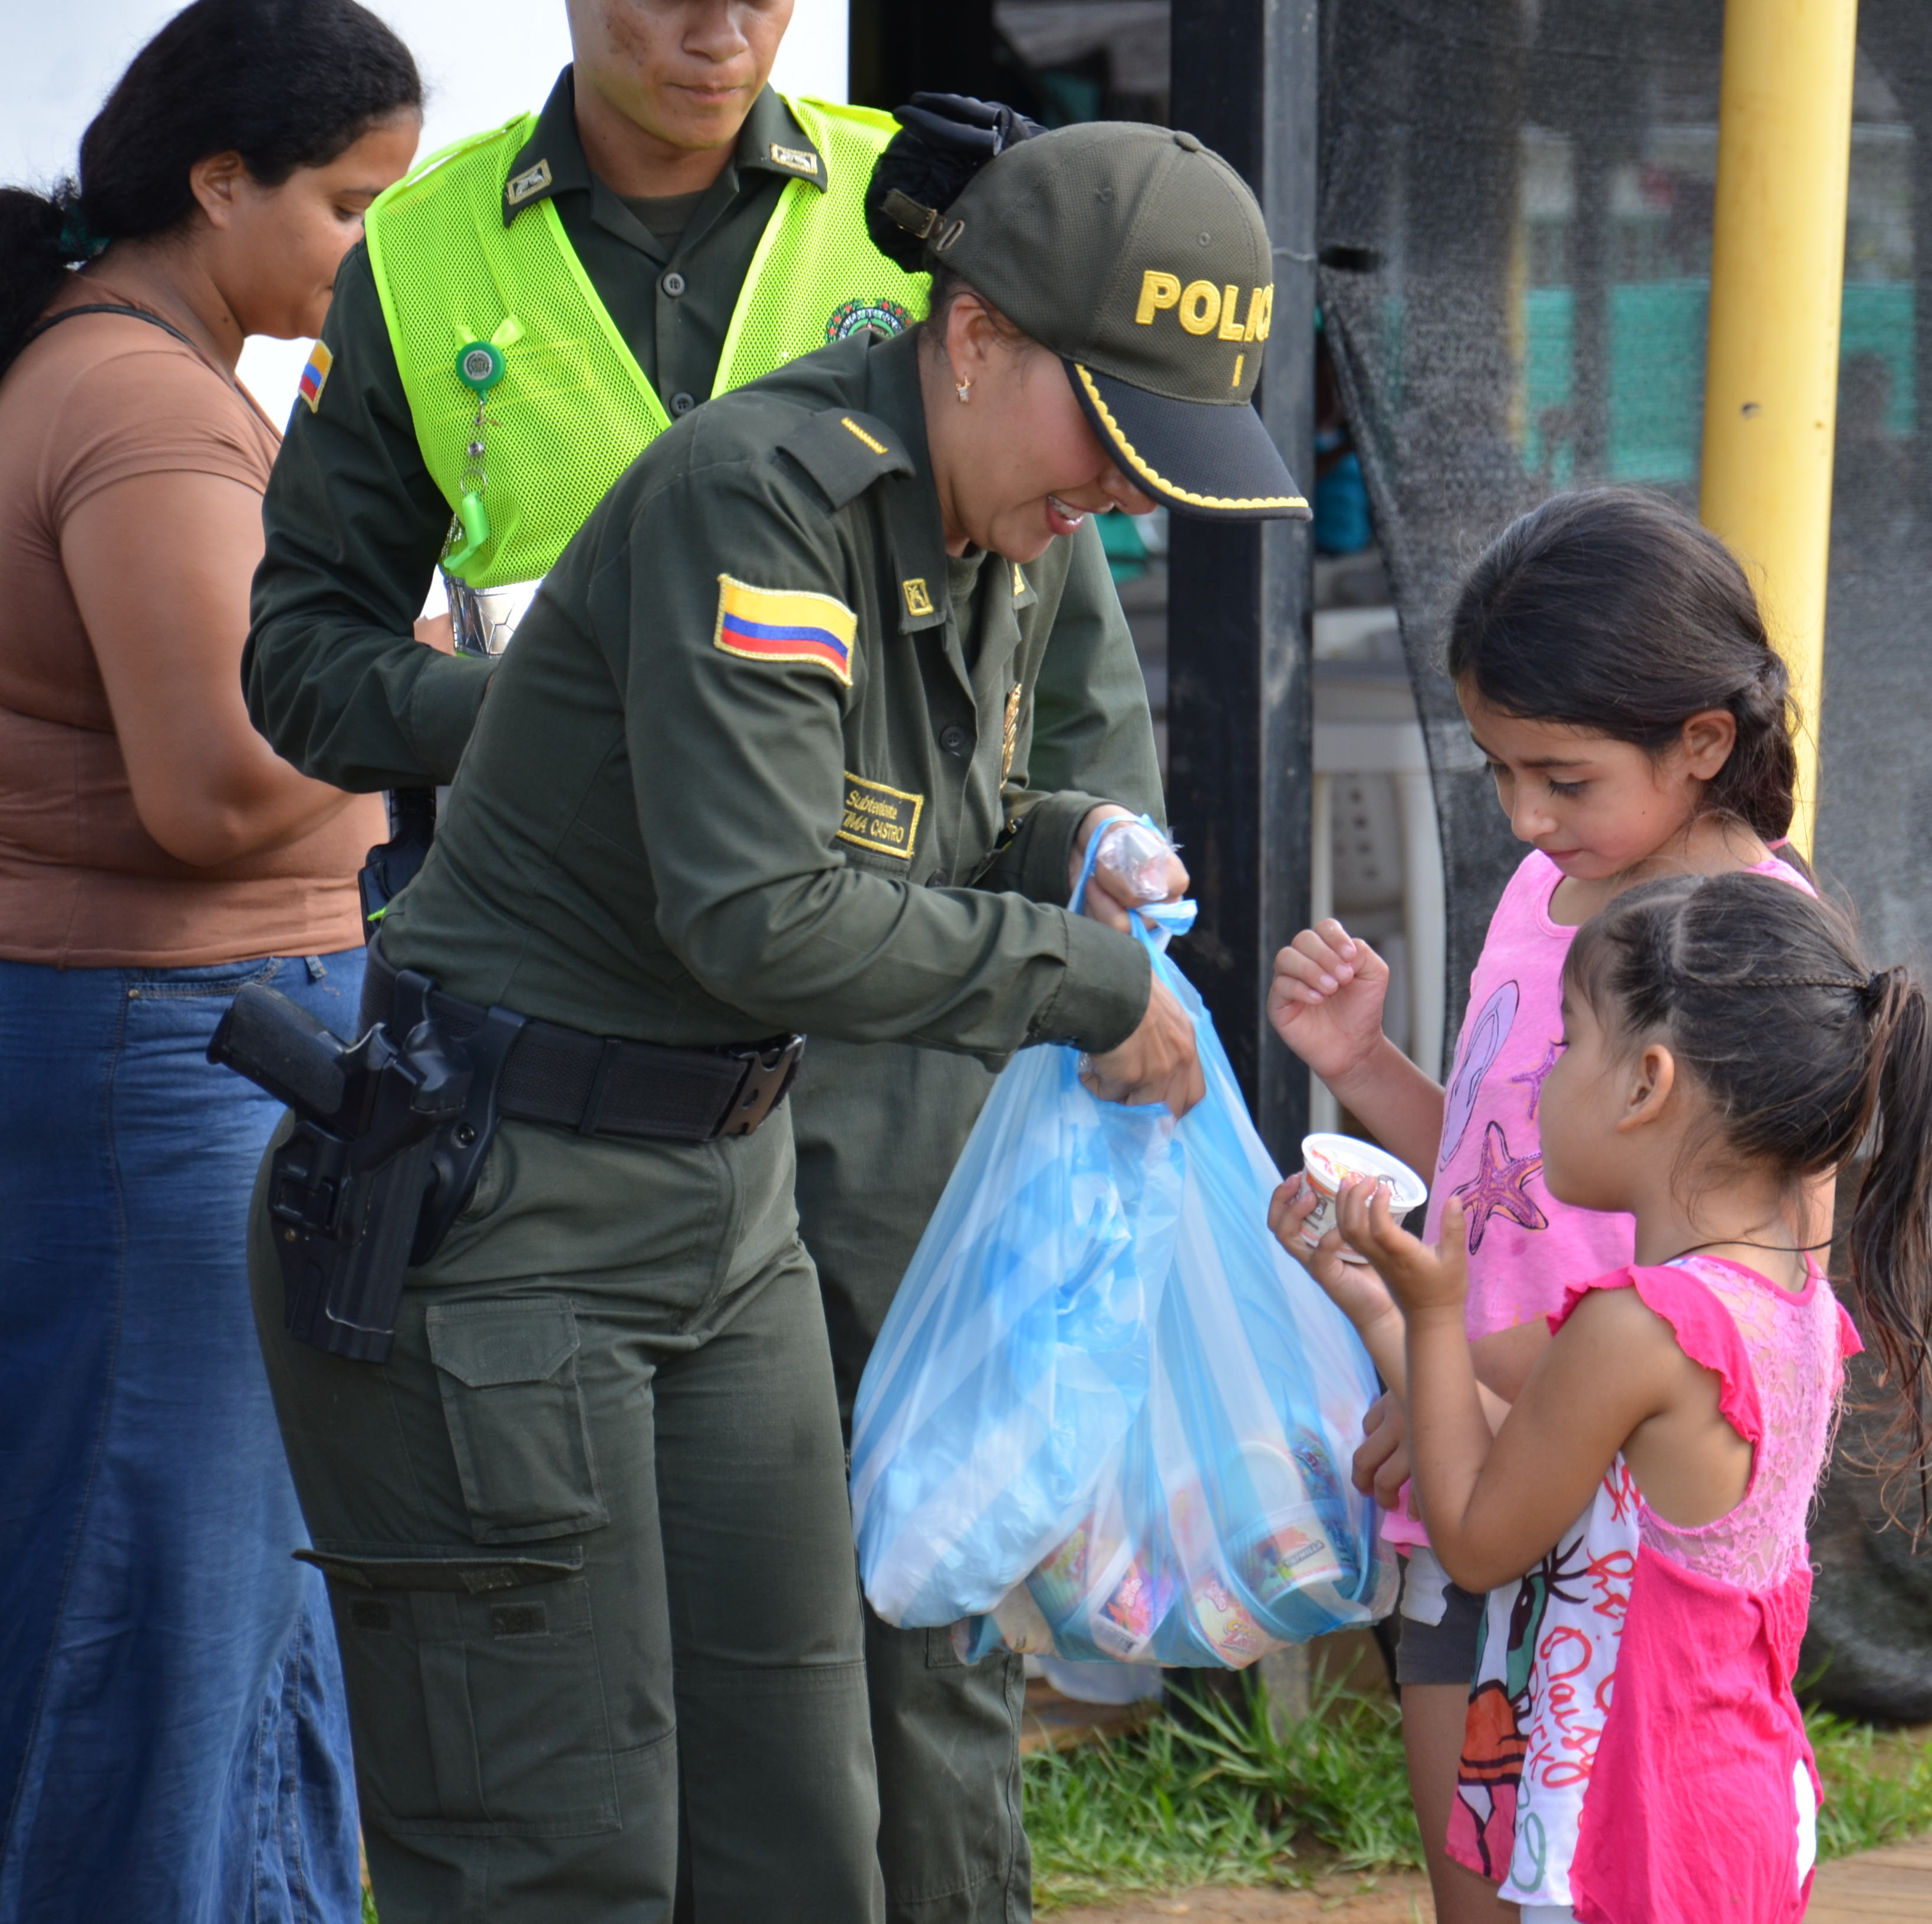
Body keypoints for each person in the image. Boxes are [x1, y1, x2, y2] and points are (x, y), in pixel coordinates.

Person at [243, 117, 1304, 1922]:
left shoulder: (991, 526)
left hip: (725, 1216)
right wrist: (1086, 983)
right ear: (972, 336)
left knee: (799, 1825)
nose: (1124, 497)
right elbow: (756, 910)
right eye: (1112, 437)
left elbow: (887, 815)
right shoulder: (764, 496)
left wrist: (1061, 842)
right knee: (557, 1849)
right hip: (512, 1221)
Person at [0, 4, 420, 1918]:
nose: (377, 253)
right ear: (217, 180)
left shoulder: (165, 378)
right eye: (352, 206)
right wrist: (465, 716)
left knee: (233, 1593)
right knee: (162, 1604)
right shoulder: (146, 401)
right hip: (168, 1050)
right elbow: (208, 785)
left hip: (178, 1048)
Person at [1264, 487, 1820, 1922]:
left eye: (1562, 778)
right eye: (1499, 769)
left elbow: (1772, 1274)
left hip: (1617, 1536)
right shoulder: (1538, 890)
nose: (1523, 813)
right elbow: (1512, 1164)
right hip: (1467, 1467)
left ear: (1702, 742)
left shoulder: (1759, 949)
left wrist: (1452, 1374)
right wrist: (1369, 1072)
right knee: (1484, 1875)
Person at [1323, 870, 1932, 1924]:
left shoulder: (1641, 1326)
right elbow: (1563, 1478)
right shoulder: (1790, 1302)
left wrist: (1428, 1315)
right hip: (1735, 1804)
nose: (1538, 1084)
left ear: (1646, 1083)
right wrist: (1384, 1307)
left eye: (1567, 1046)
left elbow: (1481, 1540)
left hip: (1635, 1828)